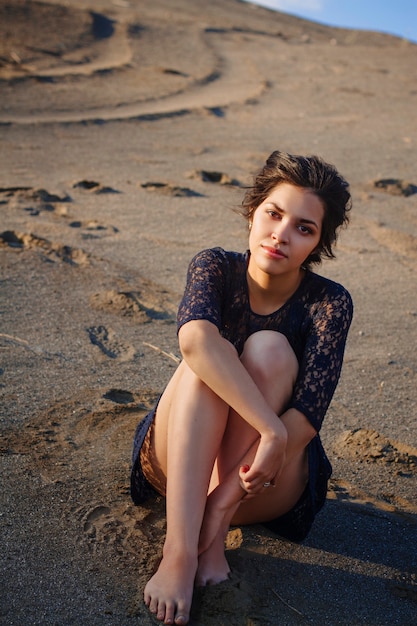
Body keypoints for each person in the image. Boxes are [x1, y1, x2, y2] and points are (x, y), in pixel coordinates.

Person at [130, 150, 353, 625]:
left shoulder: (329, 303)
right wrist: (269, 428)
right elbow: (192, 341)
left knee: (270, 350)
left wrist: (223, 504)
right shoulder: (214, 266)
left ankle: (208, 531)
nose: (281, 234)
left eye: (304, 228)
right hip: (181, 467)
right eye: (274, 214)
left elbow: (310, 415)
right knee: (207, 359)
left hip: (262, 482)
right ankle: (179, 552)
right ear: (253, 212)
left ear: (317, 244)